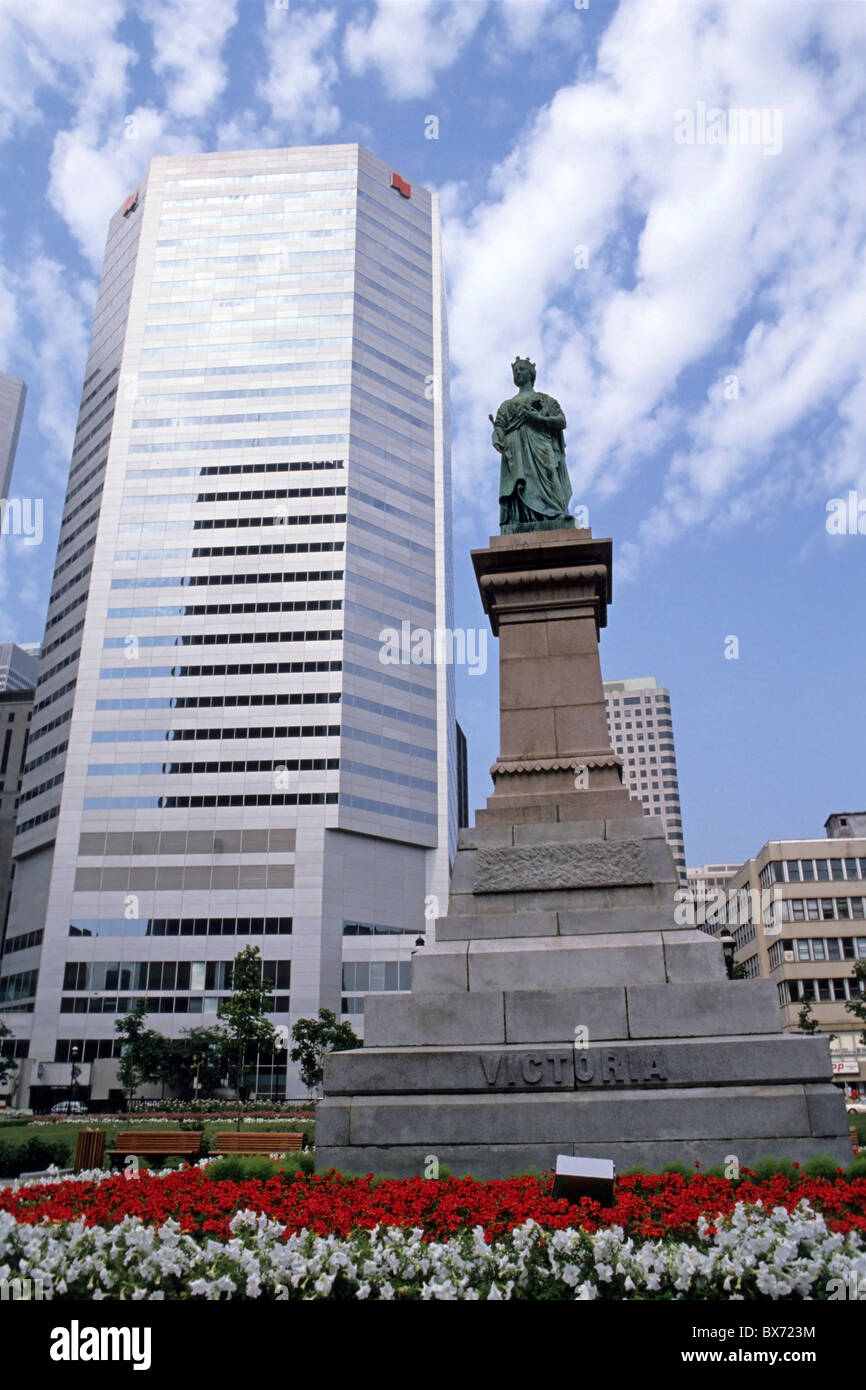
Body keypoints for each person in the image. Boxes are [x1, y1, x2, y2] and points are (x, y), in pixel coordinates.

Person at [490, 357, 574, 532]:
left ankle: (557, 512)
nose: (518, 373)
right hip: (515, 449)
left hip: (540, 444)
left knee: (549, 473)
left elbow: (561, 421)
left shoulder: (545, 399)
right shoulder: (507, 405)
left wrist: (539, 418)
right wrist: (498, 437)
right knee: (522, 483)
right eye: (515, 371)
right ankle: (522, 518)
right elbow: (499, 426)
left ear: (531, 373)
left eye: (521, 369)